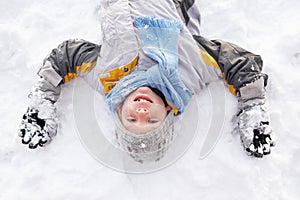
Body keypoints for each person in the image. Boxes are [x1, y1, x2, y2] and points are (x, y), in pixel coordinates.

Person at [19, 0, 275, 162]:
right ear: (166, 110)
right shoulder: (190, 73)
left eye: (132, 119)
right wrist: (253, 107)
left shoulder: (105, 76)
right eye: (151, 120)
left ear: (120, 110)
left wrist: (43, 100)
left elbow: (66, 55)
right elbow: (239, 60)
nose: (142, 112)